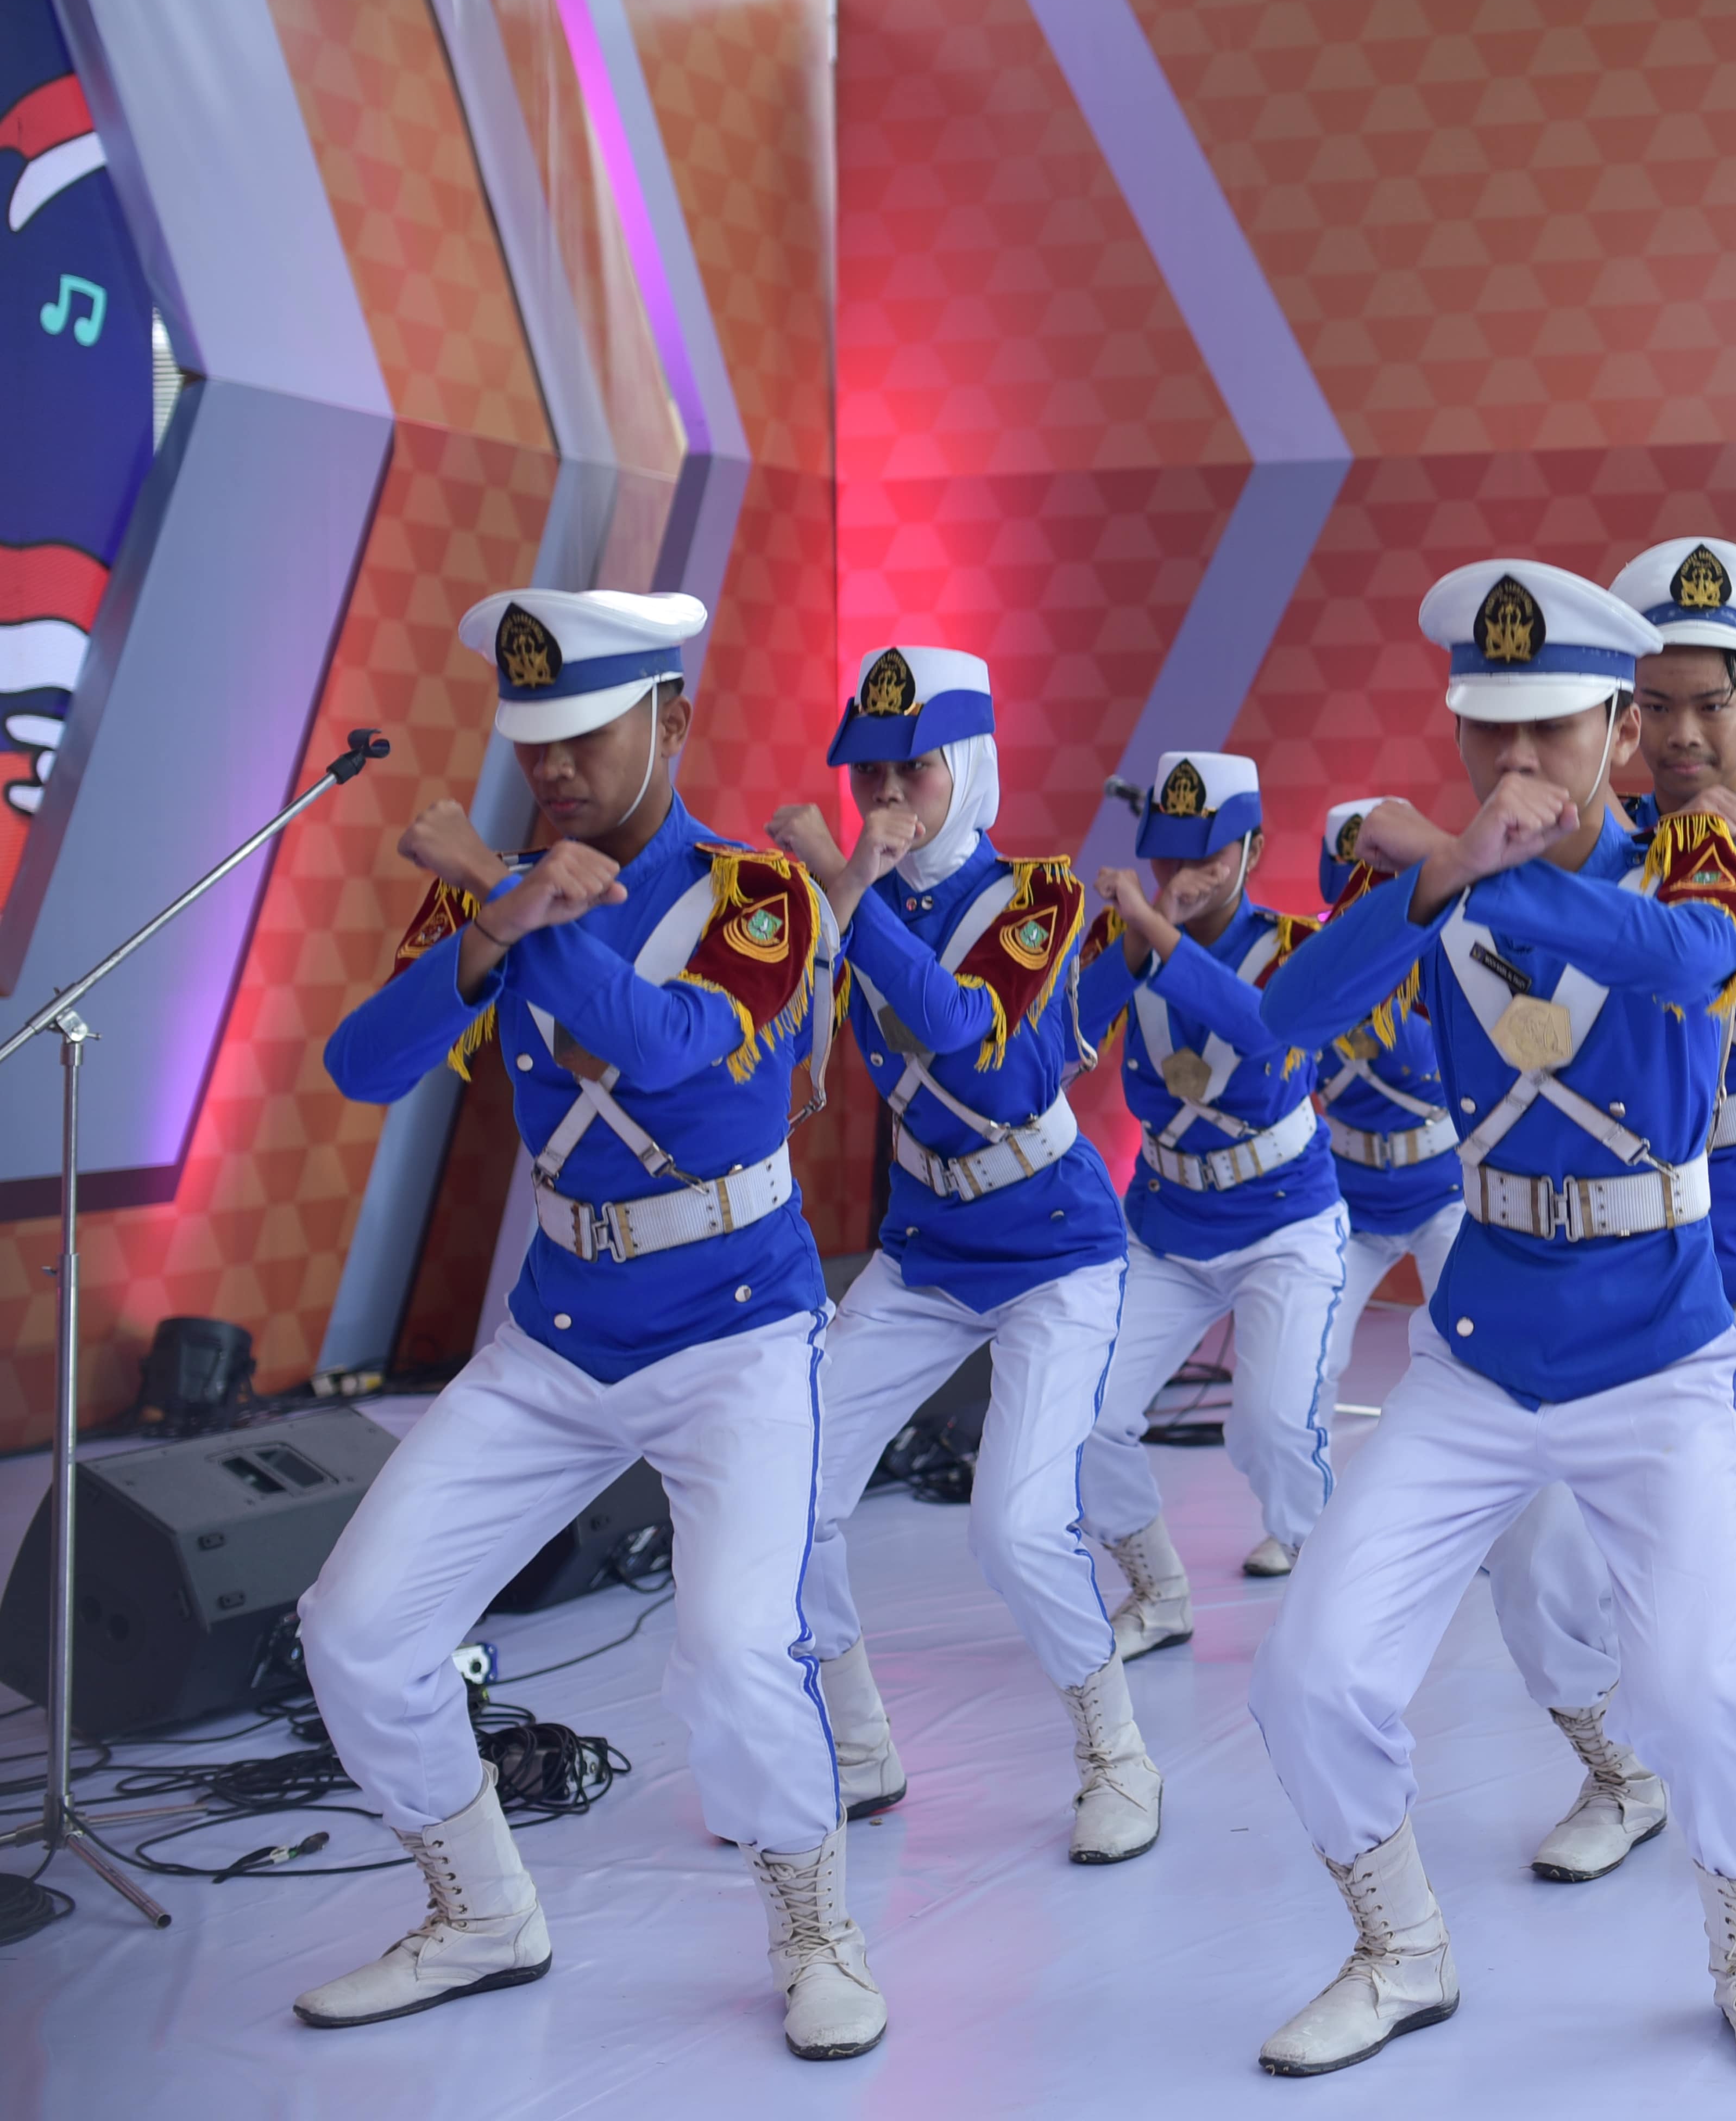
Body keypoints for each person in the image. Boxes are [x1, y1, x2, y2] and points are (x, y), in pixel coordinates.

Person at [1244, 557, 1736, 2086]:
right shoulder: (1430, 877)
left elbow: (1694, 962)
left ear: (1616, 736)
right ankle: (1400, 1948)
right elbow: (1279, 1024)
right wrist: (1440, 874)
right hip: (1479, 1354)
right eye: (1489, 731)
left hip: (1658, 1352)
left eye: (1554, 730)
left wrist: (1475, 872)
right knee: (1310, 1668)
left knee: (1696, 1689)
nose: (1517, 762)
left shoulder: (1693, 862)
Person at [297, 589, 882, 2060]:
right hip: (559, 1336)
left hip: (739, 1334)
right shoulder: (494, 893)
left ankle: (815, 1926)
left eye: (586, 732)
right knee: (357, 1629)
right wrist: (494, 916)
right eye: (533, 738)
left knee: (737, 1648)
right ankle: (482, 1913)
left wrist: (509, 897)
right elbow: (364, 1065)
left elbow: (670, 1049)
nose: (552, 764)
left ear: (670, 721)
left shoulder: (758, 891)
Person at [1476, 537, 1736, 1889]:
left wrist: (1705, 854)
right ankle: (1620, 1765)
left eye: (1709, 703)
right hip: (1623, 1255)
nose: (1677, 735)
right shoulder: (1583, 847)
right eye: (1649, 705)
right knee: (1539, 1553)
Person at [765, 644, 1161, 1867]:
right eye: (869, 773)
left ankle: (1116, 1753)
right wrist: (829, 905)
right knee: (784, 1496)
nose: (887, 796)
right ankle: (858, 1741)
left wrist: (845, 890)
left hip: (1053, 1247)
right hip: (923, 1249)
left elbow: (969, 1046)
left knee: (1015, 1526)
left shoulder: (1038, 898)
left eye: (916, 769)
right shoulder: (850, 898)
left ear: (972, 769)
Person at [1072, 751, 1345, 1650]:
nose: (1184, 872)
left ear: (1253, 850)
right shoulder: (1131, 934)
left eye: (1207, 854)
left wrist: (1158, 928)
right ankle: (1157, 1589)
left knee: (1270, 1427)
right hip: (1168, 1228)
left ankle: (1320, 1561)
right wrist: (1132, 941)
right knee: (1084, 1413)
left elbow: (1264, 1030)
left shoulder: (1296, 946)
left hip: (1285, 1225)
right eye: (1168, 852)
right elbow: (1066, 1034)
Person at [1304, 797, 1463, 1439]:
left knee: (1478, 1360)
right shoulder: (1302, 963)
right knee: (1307, 1365)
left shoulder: (1452, 951)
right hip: (1350, 1201)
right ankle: (1300, 1504)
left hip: (1447, 1191)